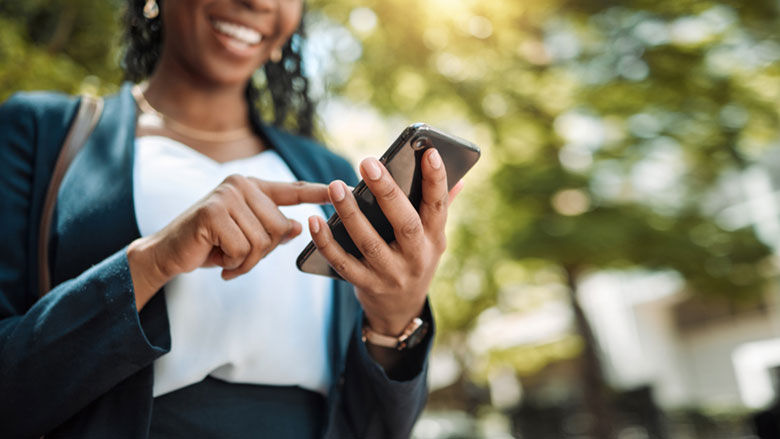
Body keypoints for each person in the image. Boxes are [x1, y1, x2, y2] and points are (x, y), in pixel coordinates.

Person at [0, 0, 461, 437]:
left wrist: (397, 319)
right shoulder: (41, 134)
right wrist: (152, 262)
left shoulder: (330, 176)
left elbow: (380, 430)